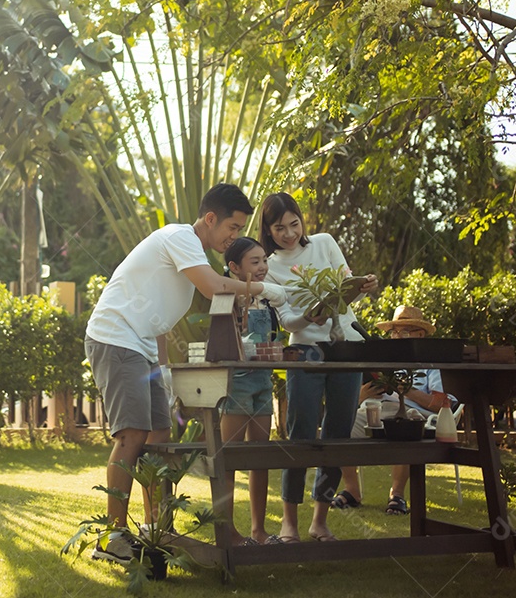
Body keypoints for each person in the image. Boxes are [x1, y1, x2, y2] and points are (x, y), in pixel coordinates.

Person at [84, 183, 289, 564]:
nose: (235, 237)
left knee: (160, 434)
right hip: (115, 338)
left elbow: (159, 317)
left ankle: (155, 528)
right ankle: (112, 537)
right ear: (210, 219)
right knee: (132, 434)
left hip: (142, 346)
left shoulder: (190, 251)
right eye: (232, 227)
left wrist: (162, 367)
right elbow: (213, 289)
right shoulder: (180, 237)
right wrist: (262, 288)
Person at [260, 192, 377, 543]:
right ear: (268, 230)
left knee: (338, 434)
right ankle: (289, 523)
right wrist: (309, 317)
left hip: (346, 347)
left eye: (294, 224)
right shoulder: (268, 265)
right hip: (305, 352)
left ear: (301, 220)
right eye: (279, 228)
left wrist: (364, 287)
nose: (289, 233)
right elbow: (287, 321)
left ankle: (319, 521)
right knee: (301, 433)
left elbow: (347, 290)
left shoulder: (324, 243)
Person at [333, 306, 457, 515]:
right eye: (394, 332)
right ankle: (352, 490)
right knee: (340, 424)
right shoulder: (383, 360)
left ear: (420, 335)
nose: (397, 337)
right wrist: (361, 395)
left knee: (405, 425)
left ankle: (397, 495)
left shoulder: (430, 364)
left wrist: (406, 390)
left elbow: (441, 404)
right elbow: (355, 400)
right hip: (374, 409)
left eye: (404, 332)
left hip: (415, 415)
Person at [218, 236, 284, 546]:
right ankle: (227, 530)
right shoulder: (226, 297)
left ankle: (259, 530)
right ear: (234, 267)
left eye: (264, 260)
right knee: (229, 457)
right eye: (254, 262)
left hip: (263, 380)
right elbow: (221, 341)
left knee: (260, 456)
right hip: (237, 381)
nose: (262, 267)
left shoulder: (266, 298)